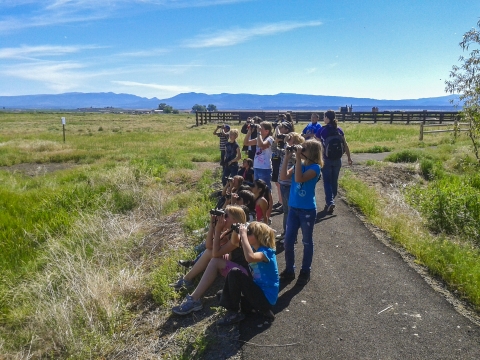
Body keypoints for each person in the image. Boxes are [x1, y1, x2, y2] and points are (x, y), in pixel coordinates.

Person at [171, 206, 249, 315]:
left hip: (242, 273)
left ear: (235, 220)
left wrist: (217, 230)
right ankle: (187, 279)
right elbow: (209, 246)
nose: (223, 218)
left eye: (226, 216)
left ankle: (194, 300)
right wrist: (213, 226)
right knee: (208, 252)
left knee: (214, 261)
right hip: (234, 265)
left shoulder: (237, 235)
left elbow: (216, 254)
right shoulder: (229, 231)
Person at [279, 140, 323, 285]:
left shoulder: (316, 168)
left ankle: (305, 270)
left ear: (312, 152)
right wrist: (287, 157)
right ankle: (290, 269)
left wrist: (297, 158)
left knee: (307, 241)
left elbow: (299, 178)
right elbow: (284, 176)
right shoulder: (301, 164)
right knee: (288, 241)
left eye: (304, 149)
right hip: (293, 208)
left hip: (307, 210)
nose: (301, 150)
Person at [217, 222, 279, 325]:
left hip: (265, 298)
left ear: (259, 236)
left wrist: (244, 235)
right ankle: (261, 312)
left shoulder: (267, 251)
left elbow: (250, 258)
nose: (246, 235)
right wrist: (238, 231)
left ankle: (234, 314)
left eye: (250, 233)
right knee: (222, 295)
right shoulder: (254, 249)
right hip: (256, 294)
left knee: (235, 273)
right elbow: (234, 242)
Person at [314, 110, 353, 213]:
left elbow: (318, 147)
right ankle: (331, 200)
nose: (323, 119)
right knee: (334, 181)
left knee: (327, 182)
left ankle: (330, 201)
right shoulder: (339, 130)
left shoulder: (322, 131)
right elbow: (345, 144)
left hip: (326, 160)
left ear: (327, 118)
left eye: (324, 117)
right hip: (337, 159)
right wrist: (349, 157)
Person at [276, 132, 305, 242]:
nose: (287, 141)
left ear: (296, 142)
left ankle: (291, 236)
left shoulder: (296, 155)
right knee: (286, 211)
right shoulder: (286, 150)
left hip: (290, 185)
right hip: (283, 184)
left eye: (289, 139)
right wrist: (278, 140)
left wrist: (292, 153)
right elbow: (274, 150)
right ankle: (285, 233)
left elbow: (296, 163)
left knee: (290, 212)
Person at [271, 120, 294, 214]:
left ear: (287, 129)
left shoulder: (291, 142)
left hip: (287, 172)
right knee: (278, 183)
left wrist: (286, 141)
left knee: (283, 185)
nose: (280, 129)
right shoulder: (281, 140)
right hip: (278, 162)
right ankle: (281, 202)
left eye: (282, 128)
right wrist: (277, 138)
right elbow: (274, 148)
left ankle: (284, 205)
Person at [244, 121, 274, 191]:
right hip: (256, 166)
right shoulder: (258, 138)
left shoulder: (270, 139)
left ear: (267, 131)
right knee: (257, 188)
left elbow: (261, 144)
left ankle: (268, 201)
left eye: (261, 128)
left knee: (266, 189)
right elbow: (246, 143)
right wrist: (249, 132)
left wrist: (258, 132)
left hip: (265, 168)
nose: (259, 128)